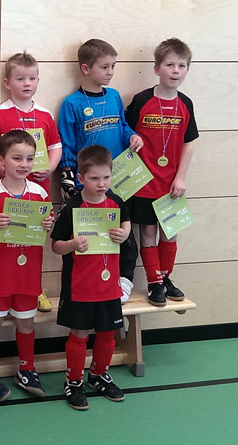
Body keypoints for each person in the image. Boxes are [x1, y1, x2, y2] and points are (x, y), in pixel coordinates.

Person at [57, 38, 143, 305]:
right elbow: (66, 144)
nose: (110, 72)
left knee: (125, 235)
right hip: (89, 188)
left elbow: (122, 127)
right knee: (92, 240)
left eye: (113, 66)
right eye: (104, 67)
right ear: (85, 68)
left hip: (119, 181)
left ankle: (124, 280)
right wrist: (68, 176)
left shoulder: (114, 96)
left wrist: (133, 136)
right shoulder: (71, 103)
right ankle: (95, 285)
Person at [0, 130, 55, 402]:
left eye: (29, 159)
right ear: (1, 159)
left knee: (26, 323)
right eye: (17, 158)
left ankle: (27, 368)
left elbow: (45, 228)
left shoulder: (40, 193)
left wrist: (48, 224)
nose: (24, 164)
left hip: (27, 274)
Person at [50, 145, 131, 411]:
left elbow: (126, 221)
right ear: (81, 178)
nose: (101, 184)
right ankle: (73, 381)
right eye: (94, 178)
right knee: (80, 333)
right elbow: (56, 246)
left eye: (106, 177)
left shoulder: (116, 202)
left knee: (108, 333)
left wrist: (124, 234)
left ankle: (98, 375)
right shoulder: (72, 207)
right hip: (79, 286)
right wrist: (73, 244)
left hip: (108, 284)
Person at [125, 38, 199, 307]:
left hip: (172, 185)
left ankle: (166, 278)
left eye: (182, 65)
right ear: (157, 68)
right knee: (147, 231)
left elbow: (189, 143)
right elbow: (126, 132)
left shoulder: (186, 104)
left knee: (170, 231)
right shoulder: (142, 100)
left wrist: (181, 178)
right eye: (170, 65)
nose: (175, 70)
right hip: (144, 182)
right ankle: (154, 283)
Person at [0, 51, 62, 313]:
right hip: (7, 191)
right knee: (7, 244)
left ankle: (34, 288)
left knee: (33, 243)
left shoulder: (45, 115)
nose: (27, 83)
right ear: (7, 83)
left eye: (32, 78)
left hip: (36, 192)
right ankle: (3, 290)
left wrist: (50, 168)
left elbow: (55, 146)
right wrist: (3, 169)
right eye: (20, 79)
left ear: (38, 80)